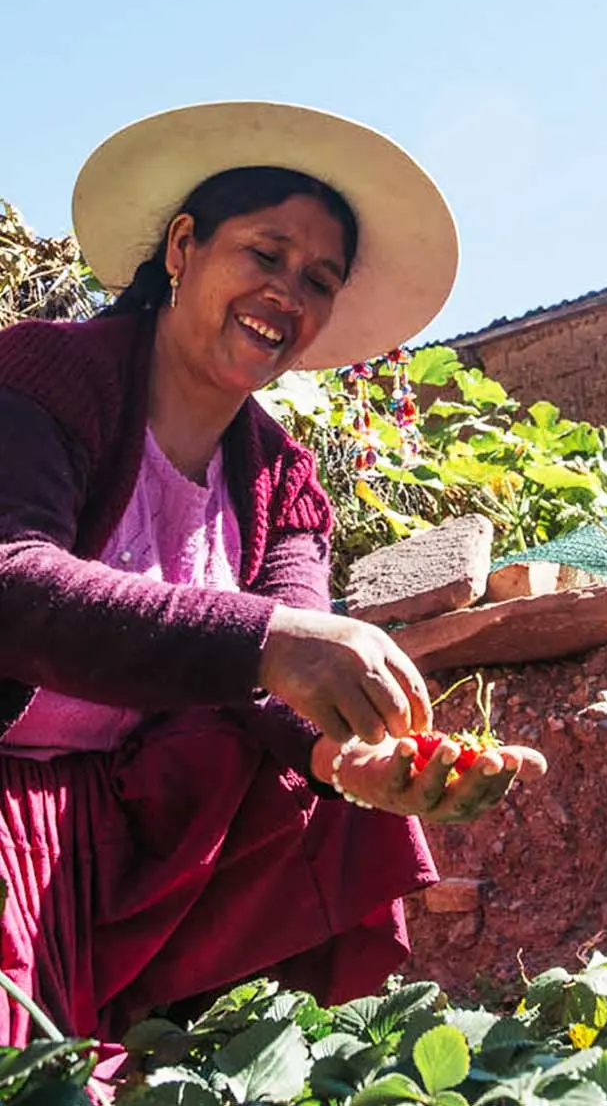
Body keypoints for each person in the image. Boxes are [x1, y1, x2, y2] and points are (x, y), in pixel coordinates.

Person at [0, 102, 546, 1047]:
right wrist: (270, 641)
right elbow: (14, 583)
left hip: (114, 818)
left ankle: (181, 1037)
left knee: (328, 798)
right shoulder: (44, 378)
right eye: (266, 253)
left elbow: (285, 672)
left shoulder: (281, 476)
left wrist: (353, 758)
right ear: (182, 246)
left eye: (319, 278)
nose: (289, 291)